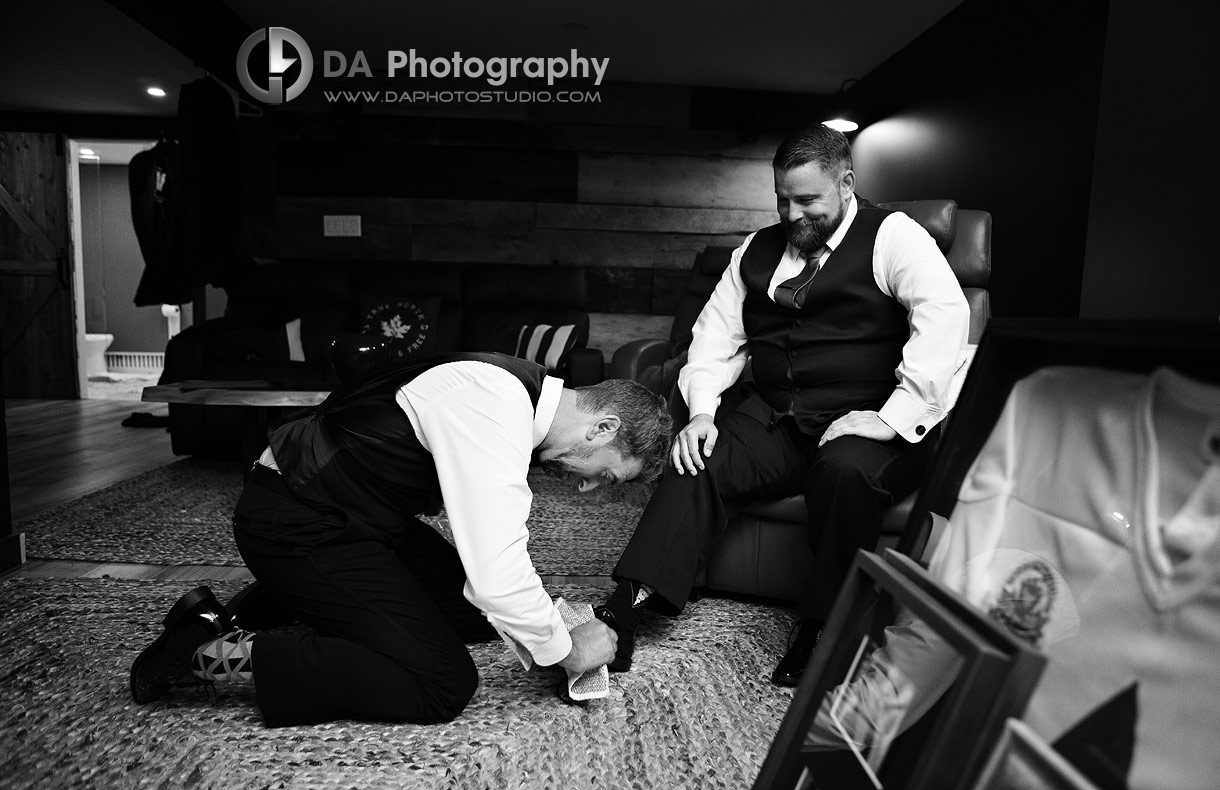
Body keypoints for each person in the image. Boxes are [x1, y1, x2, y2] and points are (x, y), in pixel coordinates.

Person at [595, 124, 971, 686]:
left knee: (844, 472)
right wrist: (701, 413)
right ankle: (627, 603)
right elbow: (715, 337)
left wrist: (891, 417)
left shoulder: (896, 237)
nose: (792, 215)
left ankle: (825, 625)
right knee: (698, 456)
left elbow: (947, 322)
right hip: (775, 415)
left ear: (846, 184)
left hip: (870, 420)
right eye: (782, 199)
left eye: (807, 200)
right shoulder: (755, 249)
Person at [130, 351, 672, 726]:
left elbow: (489, 574)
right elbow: (496, 571)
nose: (585, 485)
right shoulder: (495, 405)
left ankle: (254, 607)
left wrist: (542, 622)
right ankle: (205, 651)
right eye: (606, 473)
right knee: (441, 682)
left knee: (471, 617)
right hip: (296, 522)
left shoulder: (515, 390)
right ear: (603, 427)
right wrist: (564, 648)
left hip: (355, 514)